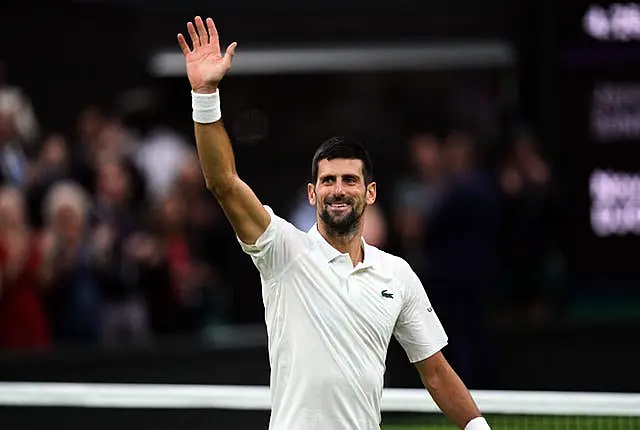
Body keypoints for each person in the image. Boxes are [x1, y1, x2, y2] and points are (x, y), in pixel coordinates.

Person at [176, 16, 491, 430]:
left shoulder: (397, 275)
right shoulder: (283, 252)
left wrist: (477, 427)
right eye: (327, 180)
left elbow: (435, 372)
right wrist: (205, 94)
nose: (338, 190)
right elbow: (223, 183)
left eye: (349, 180)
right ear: (312, 194)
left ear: (370, 193)